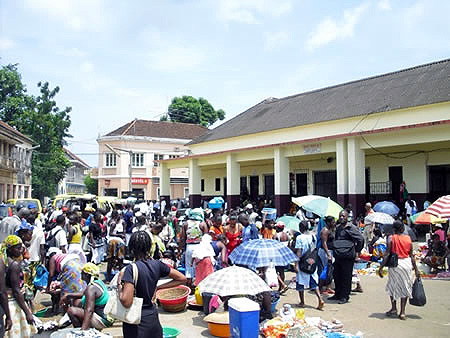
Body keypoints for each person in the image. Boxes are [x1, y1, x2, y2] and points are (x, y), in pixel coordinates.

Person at [118, 231, 187, 338]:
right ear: (149, 246)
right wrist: (158, 287)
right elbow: (182, 279)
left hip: (136, 323)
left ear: (131, 247)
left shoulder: (131, 269)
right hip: (153, 320)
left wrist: (119, 284)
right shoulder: (157, 264)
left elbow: (126, 301)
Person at [378, 220, 419, 320]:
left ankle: (393, 308)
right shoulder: (408, 238)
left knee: (392, 286)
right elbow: (411, 255)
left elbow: (387, 253)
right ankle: (403, 312)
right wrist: (416, 269)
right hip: (406, 264)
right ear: (403, 228)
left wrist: (381, 267)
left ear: (394, 229)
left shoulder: (391, 238)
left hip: (395, 264)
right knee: (405, 287)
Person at [2, 235, 36, 337]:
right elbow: (16, 291)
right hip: (14, 305)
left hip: (5, 304)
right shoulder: (14, 266)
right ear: (10, 249)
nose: (21, 250)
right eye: (18, 248)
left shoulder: (4, 262)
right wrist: (27, 312)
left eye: (21, 247)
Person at [62, 263, 113, 330]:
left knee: (71, 311)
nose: (81, 275)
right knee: (77, 301)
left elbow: (89, 310)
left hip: (102, 320)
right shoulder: (97, 282)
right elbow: (84, 293)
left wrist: (83, 331)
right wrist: (68, 295)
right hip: (106, 317)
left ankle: (81, 330)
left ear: (87, 274)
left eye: (82, 273)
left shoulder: (91, 288)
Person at [329, 210, 364, 304]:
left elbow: (360, 239)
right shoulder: (338, 228)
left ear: (347, 217)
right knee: (336, 275)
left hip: (348, 256)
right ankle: (338, 294)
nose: (341, 218)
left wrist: (357, 251)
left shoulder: (351, 228)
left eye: (343, 216)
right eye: (340, 216)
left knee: (346, 277)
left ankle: (345, 296)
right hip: (338, 255)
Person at [294, 221, 324, 310]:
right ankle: (320, 299)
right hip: (312, 261)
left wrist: (296, 264)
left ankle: (302, 302)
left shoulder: (299, 237)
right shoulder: (313, 236)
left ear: (300, 228)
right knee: (313, 281)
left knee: (300, 282)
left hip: (303, 262)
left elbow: (299, 251)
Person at [180, 209, 208, 287]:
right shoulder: (202, 224)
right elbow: (206, 238)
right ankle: (198, 285)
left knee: (189, 266)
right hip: (199, 247)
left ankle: (189, 284)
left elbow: (182, 238)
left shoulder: (185, 224)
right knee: (198, 266)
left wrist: (180, 249)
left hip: (189, 247)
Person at [318, 216, 336, 295]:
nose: (334, 223)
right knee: (325, 270)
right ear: (328, 222)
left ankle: (328, 287)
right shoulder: (325, 230)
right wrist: (328, 254)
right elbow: (324, 243)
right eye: (333, 222)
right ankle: (320, 288)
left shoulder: (331, 230)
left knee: (330, 270)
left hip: (331, 251)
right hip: (325, 252)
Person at [106, 210, 126, 282]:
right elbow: (110, 233)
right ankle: (110, 278)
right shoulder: (112, 223)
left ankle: (120, 278)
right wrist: (119, 235)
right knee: (112, 261)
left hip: (118, 242)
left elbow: (124, 232)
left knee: (117, 261)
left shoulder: (122, 222)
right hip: (113, 241)